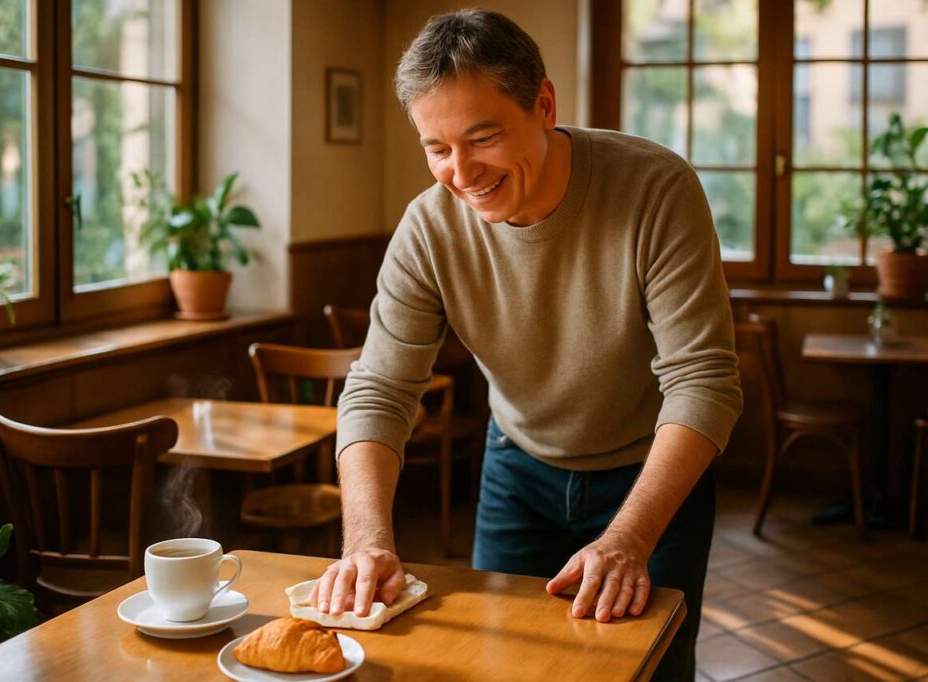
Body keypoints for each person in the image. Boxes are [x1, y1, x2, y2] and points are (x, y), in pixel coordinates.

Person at [310, 9, 743, 679]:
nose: (460, 172)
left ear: (543, 104)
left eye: (483, 137)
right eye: (437, 147)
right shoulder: (428, 228)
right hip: (518, 469)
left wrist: (627, 539)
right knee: (505, 663)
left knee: (649, 671)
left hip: (649, 471)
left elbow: (705, 381)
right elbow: (380, 390)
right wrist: (367, 542)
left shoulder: (656, 187)